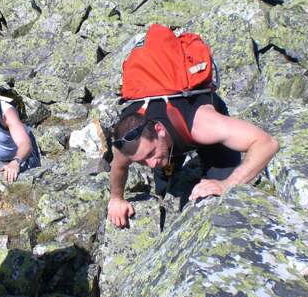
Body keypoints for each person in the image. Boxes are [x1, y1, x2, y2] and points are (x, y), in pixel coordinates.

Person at [107, 93, 279, 228]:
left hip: (197, 131)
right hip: (170, 143)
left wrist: (228, 183)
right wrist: (116, 199)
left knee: (221, 195)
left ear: (159, 129)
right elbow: (119, 167)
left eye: (150, 153)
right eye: (142, 161)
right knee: (164, 179)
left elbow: (267, 143)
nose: (150, 164)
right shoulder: (127, 143)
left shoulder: (202, 124)